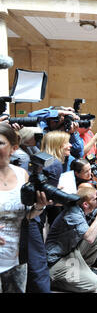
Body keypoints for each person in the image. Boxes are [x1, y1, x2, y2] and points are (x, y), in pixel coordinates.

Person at [0, 124, 48, 293]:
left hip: (15, 260)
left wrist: (39, 207)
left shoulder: (22, 175)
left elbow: (26, 217)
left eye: (0, 143)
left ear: (13, 148)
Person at [45, 187, 97, 293]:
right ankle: (54, 280)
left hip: (69, 251)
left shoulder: (80, 208)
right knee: (93, 283)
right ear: (85, 204)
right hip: (56, 261)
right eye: (95, 199)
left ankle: (83, 269)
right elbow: (90, 238)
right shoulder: (73, 213)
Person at [71, 159, 97, 269]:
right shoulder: (83, 186)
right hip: (90, 221)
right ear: (77, 173)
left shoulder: (89, 181)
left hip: (96, 218)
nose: (90, 173)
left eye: (91, 169)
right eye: (86, 171)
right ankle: (85, 266)